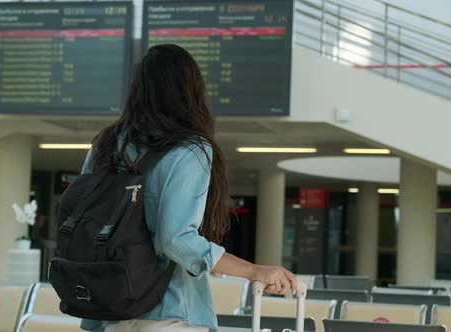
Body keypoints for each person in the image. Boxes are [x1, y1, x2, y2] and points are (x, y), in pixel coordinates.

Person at [80, 44, 297, 332]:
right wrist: (254, 270)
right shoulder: (190, 149)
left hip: (108, 310)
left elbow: (84, 222)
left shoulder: (105, 145)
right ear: (191, 90)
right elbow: (177, 239)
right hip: (169, 313)